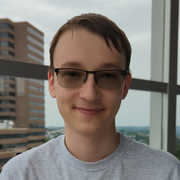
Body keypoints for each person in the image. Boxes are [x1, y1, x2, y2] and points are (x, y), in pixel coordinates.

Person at [0, 13, 180, 180]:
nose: (90, 94)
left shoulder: (167, 172)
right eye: (72, 74)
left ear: (125, 85)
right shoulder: (19, 174)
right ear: (52, 83)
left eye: (108, 75)